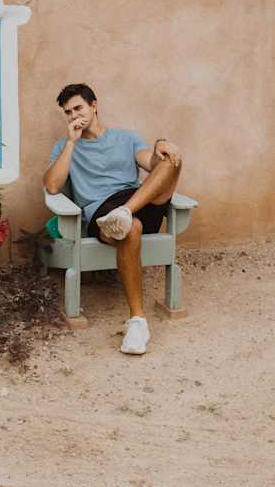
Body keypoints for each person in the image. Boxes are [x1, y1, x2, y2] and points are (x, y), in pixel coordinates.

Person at [43, 83, 182, 355]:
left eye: (78, 108)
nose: (74, 116)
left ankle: (126, 212)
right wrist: (71, 142)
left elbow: (153, 163)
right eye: (68, 113)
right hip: (102, 212)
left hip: (135, 200)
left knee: (172, 159)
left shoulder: (126, 138)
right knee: (131, 229)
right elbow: (52, 186)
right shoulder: (64, 146)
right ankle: (138, 322)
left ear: (94, 105)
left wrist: (161, 144)